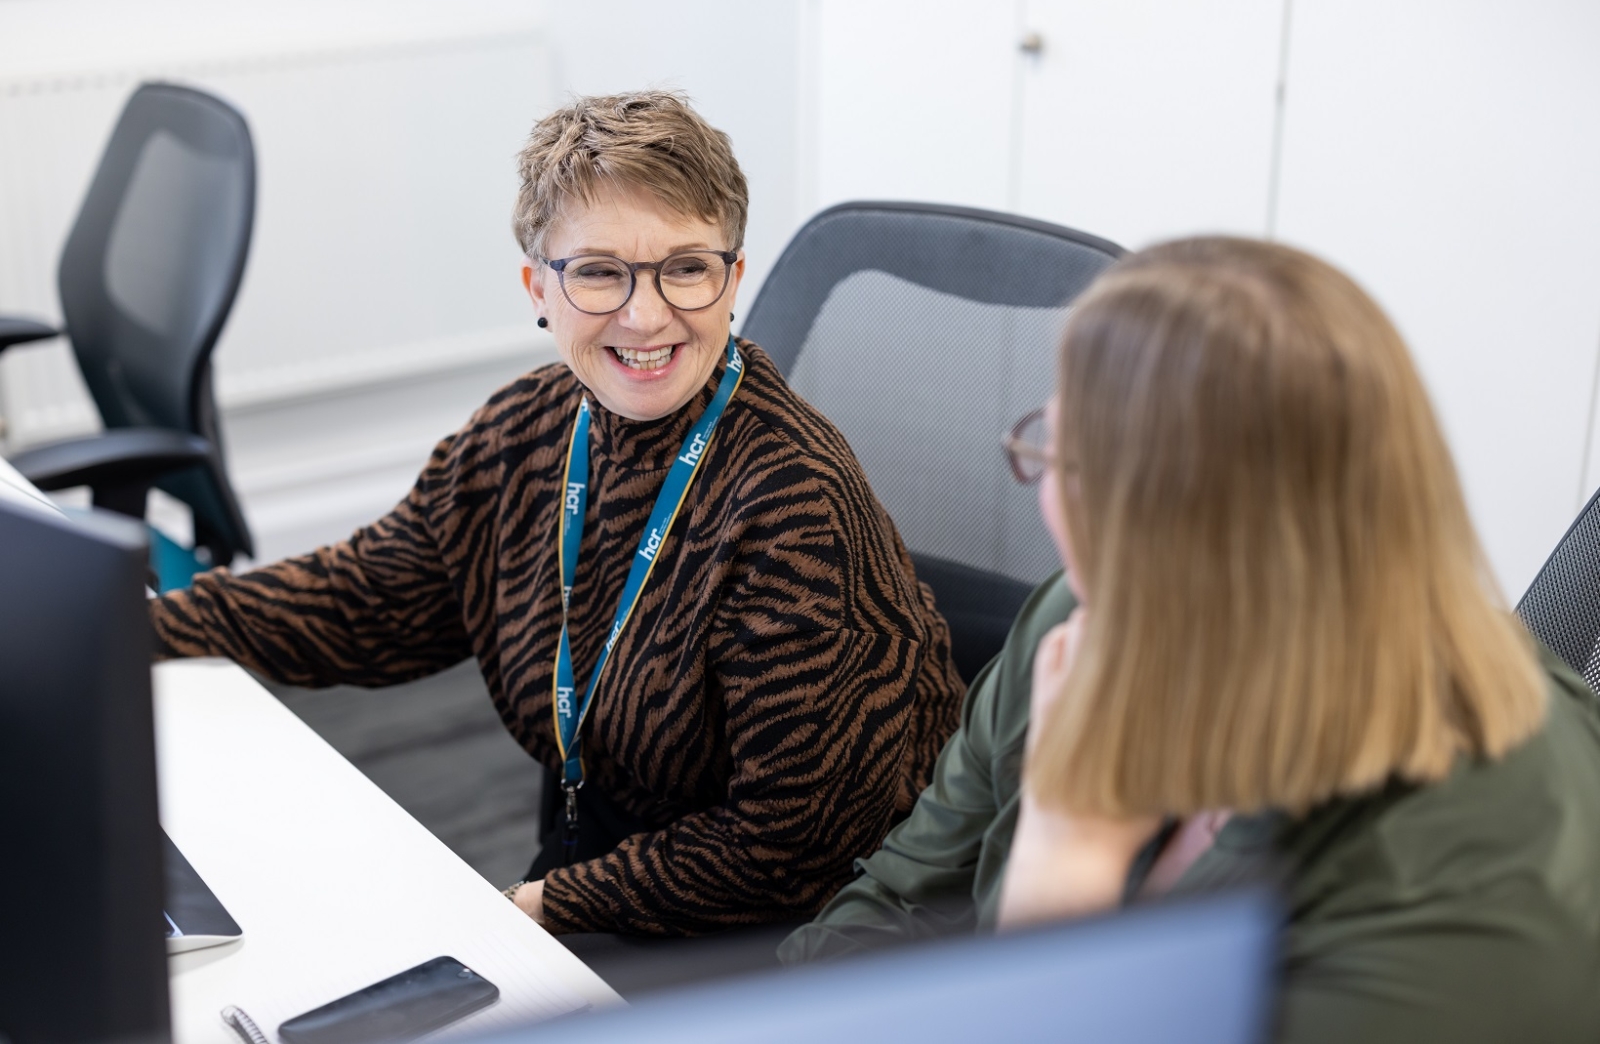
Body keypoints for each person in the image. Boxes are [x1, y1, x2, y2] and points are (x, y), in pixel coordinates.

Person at [151, 90, 965, 937]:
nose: (646, 315)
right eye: (600, 271)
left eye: (686, 267)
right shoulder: (528, 427)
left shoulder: (791, 506)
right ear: (539, 284)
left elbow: (788, 848)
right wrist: (139, 625)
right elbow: (369, 595)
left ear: (733, 280)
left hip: (804, 924)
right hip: (616, 855)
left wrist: (533, 906)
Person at [782, 237, 1600, 1041]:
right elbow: (896, 899)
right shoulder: (1084, 619)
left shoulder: (1473, 887)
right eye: (1048, 441)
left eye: (1070, 462)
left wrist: (1063, 872)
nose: (1052, 503)